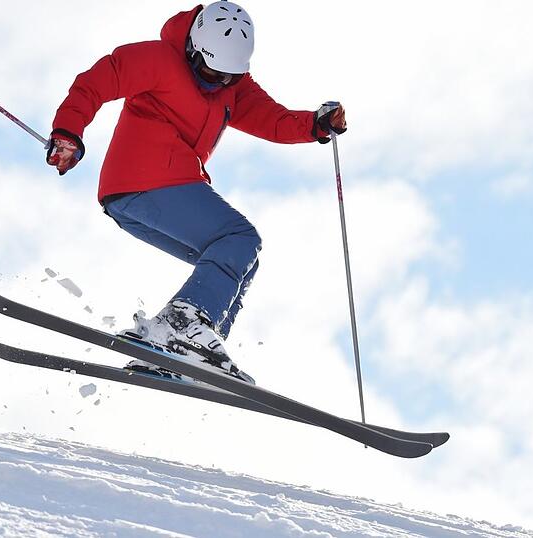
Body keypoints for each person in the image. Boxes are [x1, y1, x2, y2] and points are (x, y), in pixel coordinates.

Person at [46, 1, 347, 384]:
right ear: (193, 50)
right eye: (208, 71)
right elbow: (97, 81)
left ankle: (186, 350)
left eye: (228, 76)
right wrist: (68, 132)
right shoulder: (159, 59)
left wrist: (315, 125)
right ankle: (183, 325)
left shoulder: (231, 87)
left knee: (241, 261)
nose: (217, 82)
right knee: (239, 238)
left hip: (142, 196)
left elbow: (272, 119)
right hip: (147, 177)